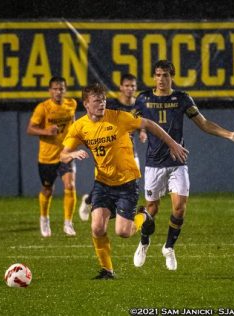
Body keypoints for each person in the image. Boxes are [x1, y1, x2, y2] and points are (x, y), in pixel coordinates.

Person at [133, 60, 234, 271]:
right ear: (154, 77)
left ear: (172, 76)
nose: (162, 79)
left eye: (166, 75)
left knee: (179, 208)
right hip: (153, 164)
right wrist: (138, 133)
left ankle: (168, 248)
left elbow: (204, 123)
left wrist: (229, 135)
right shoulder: (143, 98)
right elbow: (132, 124)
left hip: (178, 161)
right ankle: (144, 241)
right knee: (151, 209)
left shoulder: (182, 98)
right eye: (158, 75)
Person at [60, 82, 188, 279]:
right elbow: (62, 155)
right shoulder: (79, 127)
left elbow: (149, 124)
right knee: (97, 227)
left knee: (123, 232)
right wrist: (73, 152)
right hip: (103, 183)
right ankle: (107, 270)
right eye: (96, 101)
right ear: (86, 104)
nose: (101, 104)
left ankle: (144, 215)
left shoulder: (119, 117)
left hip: (126, 184)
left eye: (103, 100)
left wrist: (172, 144)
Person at [77, 74, 146, 221]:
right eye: (127, 86)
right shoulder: (112, 105)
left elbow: (140, 122)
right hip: (111, 149)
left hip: (129, 150)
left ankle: (124, 210)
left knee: (132, 180)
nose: (130, 89)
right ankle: (89, 200)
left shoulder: (138, 105)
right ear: (121, 87)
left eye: (133, 86)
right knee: (107, 180)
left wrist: (143, 132)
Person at [27, 76, 78, 237]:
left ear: (65, 89)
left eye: (61, 88)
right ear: (50, 91)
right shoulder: (43, 108)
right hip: (47, 157)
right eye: (55, 89)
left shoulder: (72, 104)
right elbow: (30, 129)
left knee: (70, 186)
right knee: (48, 189)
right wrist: (46, 132)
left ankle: (68, 223)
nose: (58, 91)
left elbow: (73, 124)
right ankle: (44, 219)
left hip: (65, 154)